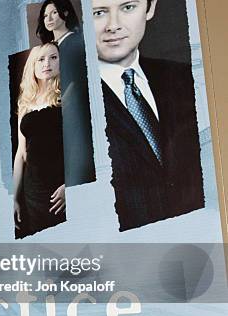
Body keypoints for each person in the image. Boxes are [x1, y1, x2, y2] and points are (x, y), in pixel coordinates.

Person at [92, 0, 204, 231]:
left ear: (150, 7)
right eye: (99, 12)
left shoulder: (183, 77)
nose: (113, 25)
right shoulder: (70, 100)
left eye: (128, 7)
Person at [36, 0, 95, 186]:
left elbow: (78, 81)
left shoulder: (75, 41)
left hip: (73, 111)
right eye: (45, 16)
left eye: (53, 13)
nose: (49, 19)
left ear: (65, 13)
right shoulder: (48, 49)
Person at [13, 43, 66, 237]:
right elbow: (21, 153)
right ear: (32, 66)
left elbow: (80, 148)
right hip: (33, 190)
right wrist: (15, 197)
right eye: (41, 59)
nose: (47, 64)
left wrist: (71, 186)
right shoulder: (25, 103)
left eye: (53, 57)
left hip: (59, 186)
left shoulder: (67, 96)